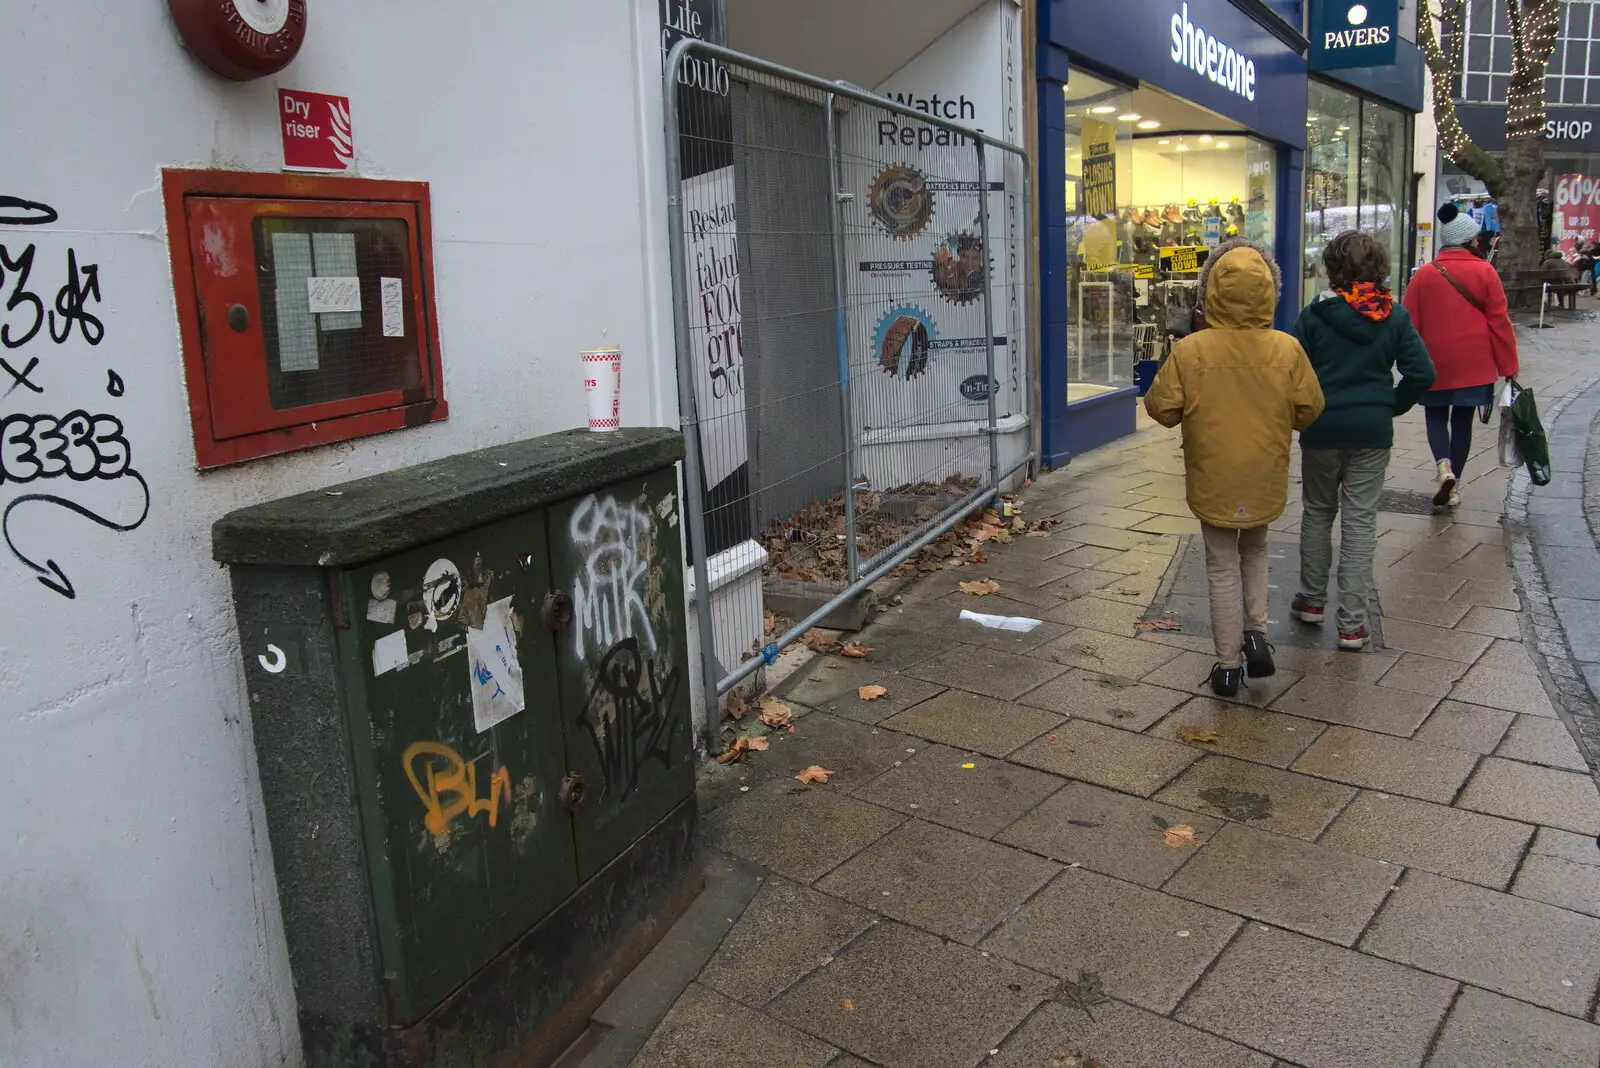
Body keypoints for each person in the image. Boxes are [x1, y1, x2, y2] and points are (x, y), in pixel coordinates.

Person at [1145, 240, 1325, 697]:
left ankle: (1226, 666)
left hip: (1214, 474)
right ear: (1271, 292)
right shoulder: (1287, 350)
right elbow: (1309, 409)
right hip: (1263, 472)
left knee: (1221, 564)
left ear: (1211, 292)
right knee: (1257, 551)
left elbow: (1161, 408)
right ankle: (1256, 634)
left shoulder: (1192, 350)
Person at [1290, 232, 1436, 651]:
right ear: (1379, 267)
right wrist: (1390, 405)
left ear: (1331, 269)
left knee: (1318, 510)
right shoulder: (1394, 316)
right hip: (1372, 432)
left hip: (1321, 428)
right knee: (1360, 521)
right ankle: (1353, 624)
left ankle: (1312, 602)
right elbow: (1422, 373)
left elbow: (1292, 371)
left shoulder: (1314, 316)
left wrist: (1302, 412)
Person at [1402, 203, 1520, 508]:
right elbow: (1499, 322)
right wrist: (1509, 365)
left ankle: (1443, 467)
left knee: (1436, 416)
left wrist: (1407, 363)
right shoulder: (1485, 272)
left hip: (1434, 362)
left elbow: (1408, 324)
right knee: (1463, 421)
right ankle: (1454, 486)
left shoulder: (1423, 276)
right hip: (1475, 363)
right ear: (1469, 240)